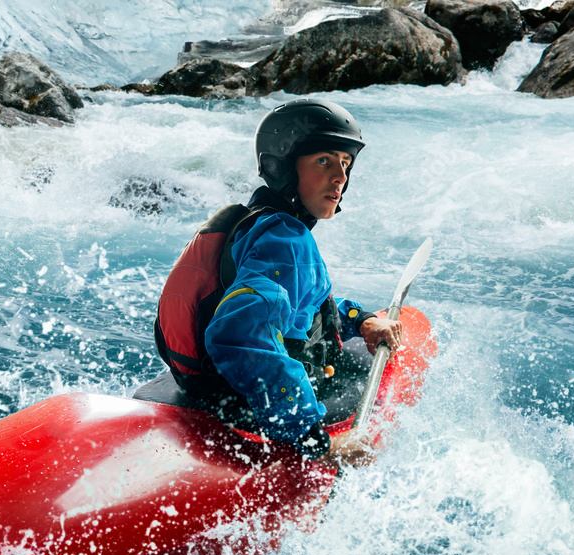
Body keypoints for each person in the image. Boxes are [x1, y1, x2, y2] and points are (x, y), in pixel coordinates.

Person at [151, 99, 402, 468]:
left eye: (345, 164)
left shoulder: (260, 222)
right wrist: (315, 441)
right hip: (245, 402)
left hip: (205, 384)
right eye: (324, 161)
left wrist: (361, 320)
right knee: (361, 375)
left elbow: (305, 303)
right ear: (283, 167)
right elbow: (238, 336)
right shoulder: (287, 241)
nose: (340, 177)